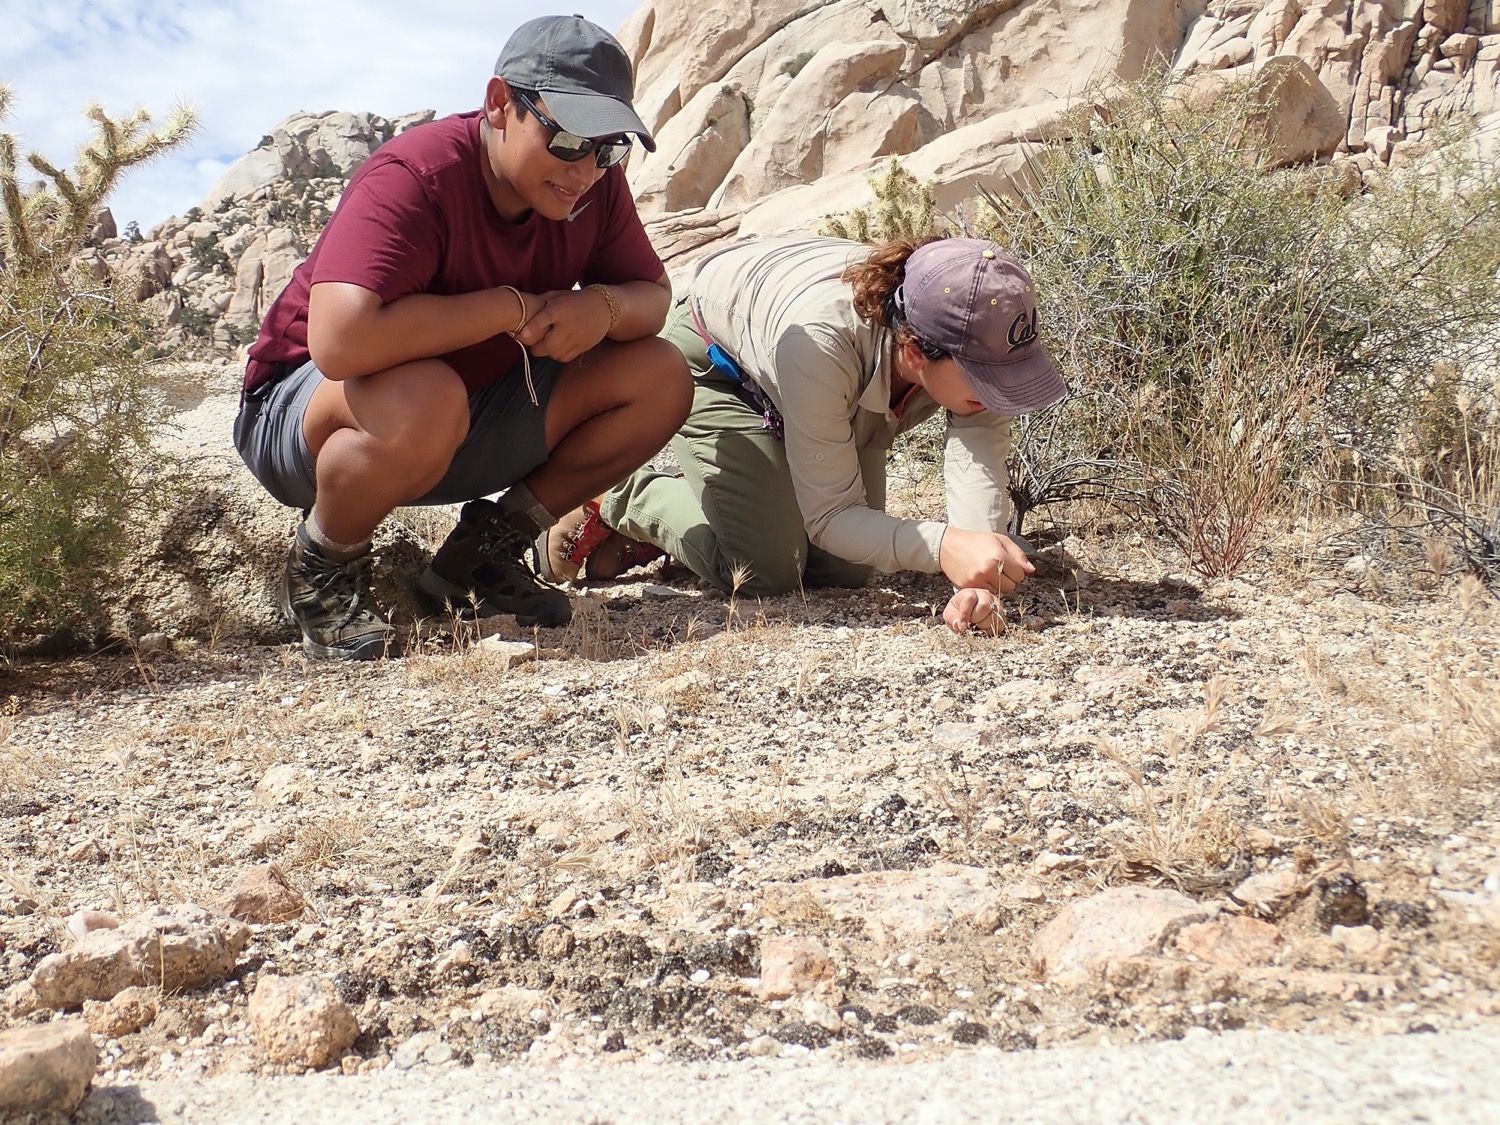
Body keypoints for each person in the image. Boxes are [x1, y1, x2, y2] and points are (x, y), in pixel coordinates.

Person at [233, 15, 692, 659]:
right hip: (303, 415)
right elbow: (339, 343)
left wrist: (603, 309)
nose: (587, 168)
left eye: (609, 146)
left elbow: (653, 298)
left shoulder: (592, 189)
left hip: (459, 415)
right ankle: (323, 572)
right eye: (568, 138)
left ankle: (480, 556)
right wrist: (509, 307)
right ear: (501, 103)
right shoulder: (414, 176)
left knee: (661, 375)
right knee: (427, 394)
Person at [537, 235, 1066, 634]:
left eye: (1008, 375)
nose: (999, 391)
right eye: (984, 378)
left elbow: (977, 455)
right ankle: (619, 495)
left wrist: (976, 579)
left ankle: (730, 512)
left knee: (846, 568)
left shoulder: (973, 341)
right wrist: (946, 545)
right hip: (715, 360)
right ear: (912, 353)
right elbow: (832, 515)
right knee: (768, 569)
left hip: (810, 376)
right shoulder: (822, 342)